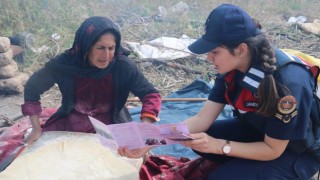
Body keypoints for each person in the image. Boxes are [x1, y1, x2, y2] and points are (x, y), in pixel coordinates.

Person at [175, 4, 320, 179]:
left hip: (296, 151)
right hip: (261, 132)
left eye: (215, 51)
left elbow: (273, 149)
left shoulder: (288, 83)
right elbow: (202, 119)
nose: (209, 58)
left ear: (241, 49)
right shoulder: (231, 69)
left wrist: (219, 146)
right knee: (197, 138)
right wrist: (155, 138)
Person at [21, 16, 162, 146]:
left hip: (111, 123)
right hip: (71, 122)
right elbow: (33, 88)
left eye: (111, 48)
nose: (106, 55)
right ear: (86, 47)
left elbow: (151, 95)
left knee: (130, 159)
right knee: (47, 156)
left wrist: (145, 128)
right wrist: (36, 129)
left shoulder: (123, 67)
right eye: (100, 48)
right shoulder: (66, 64)